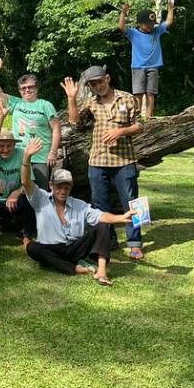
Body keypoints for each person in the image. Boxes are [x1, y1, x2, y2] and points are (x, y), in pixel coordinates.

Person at [20, 138, 139, 286]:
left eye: (66, 187)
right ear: (51, 185)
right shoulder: (41, 199)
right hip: (52, 248)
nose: (63, 191)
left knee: (102, 226)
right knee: (32, 248)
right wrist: (27, 157)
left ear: (71, 187)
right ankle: (73, 268)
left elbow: (101, 216)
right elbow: (25, 182)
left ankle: (102, 271)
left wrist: (121, 218)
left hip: (75, 248)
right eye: (59, 187)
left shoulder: (79, 205)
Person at [62, 66, 145, 259]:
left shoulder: (127, 98)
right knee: (100, 204)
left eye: (100, 81)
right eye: (93, 84)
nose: (98, 86)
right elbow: (75, 123)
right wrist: (71, 98)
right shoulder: (91, 103)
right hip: (98, 161)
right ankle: (108, 240)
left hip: (125, 160)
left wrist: (121, 131)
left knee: (132, 202)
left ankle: (135, 243)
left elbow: (140, 125)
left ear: (107, 78)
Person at [0, 59, 61, 190]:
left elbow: (56, 129)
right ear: (20, 90)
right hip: (19, 155)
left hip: (39, 157)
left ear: (36, 88)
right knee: (18, 190)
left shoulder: (45, 105)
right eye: (23, 88)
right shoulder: (16, 103)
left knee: (40, 191)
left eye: (30, 87)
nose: (27, 90)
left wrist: (53, 152)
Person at [0, 109, 34, 243]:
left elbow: (29, 182)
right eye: (1, 146)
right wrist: (1, 118)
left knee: (28, 199)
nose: (5, 149)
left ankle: (27, 234)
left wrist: (17, 192)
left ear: (14, 145)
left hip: (13, 199)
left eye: (9, 146)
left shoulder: (21, 154)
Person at [119, 0, 175, 118]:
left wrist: (170, 8)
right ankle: (137, 115)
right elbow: (121, 27)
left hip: (153, 66)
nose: (150, 26)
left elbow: (169, 22)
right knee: (138, 93)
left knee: (151, 93)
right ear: (139, 24)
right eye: (148, 24)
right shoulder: (133, 33)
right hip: (138, 67)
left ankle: (149, 116)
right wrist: (123, 13)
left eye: (152, 24)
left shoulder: (157, 31)